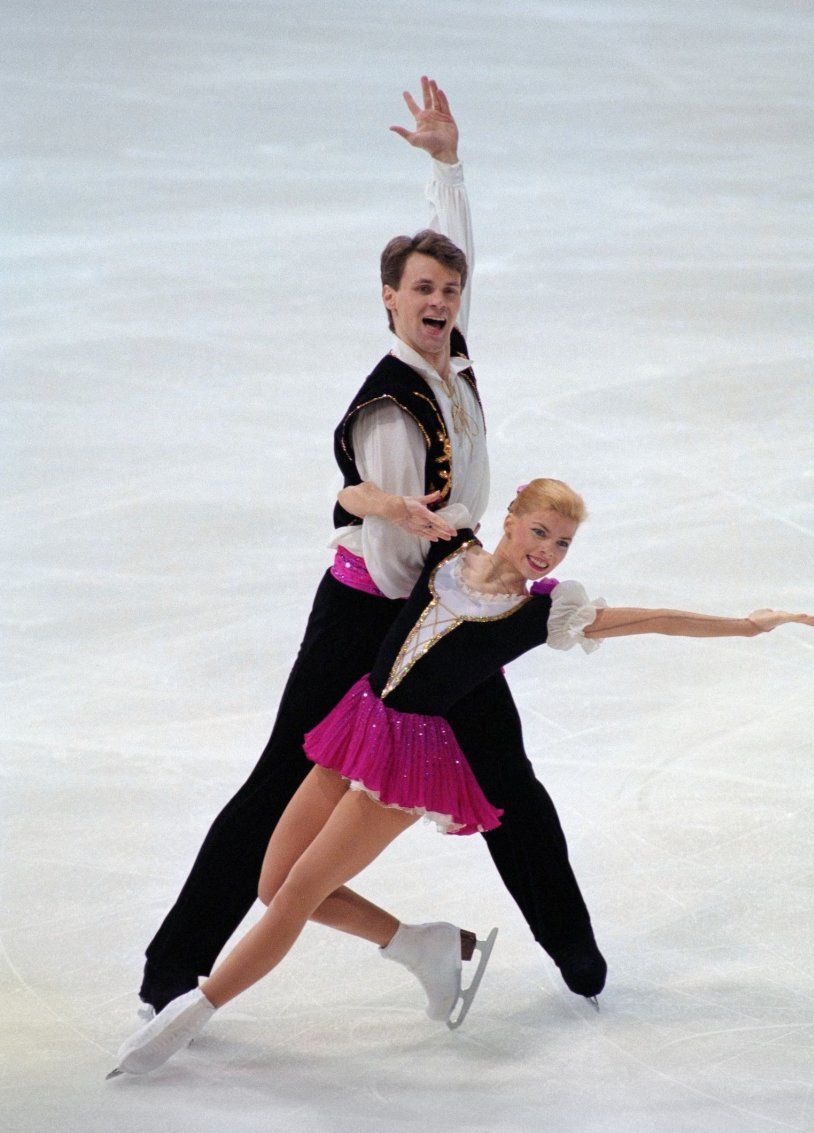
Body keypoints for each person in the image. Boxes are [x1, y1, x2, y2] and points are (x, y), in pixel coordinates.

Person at [138, 77, 608, 1026]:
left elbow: (453, 254)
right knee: (279, 785)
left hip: (446, 604)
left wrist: (445, 165)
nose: (438, 301)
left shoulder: (451, 354)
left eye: (448, 291)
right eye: (420, 291)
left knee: (509, 784)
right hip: (377, 615)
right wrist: (451, 601)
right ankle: (170, 972)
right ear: (386, 301)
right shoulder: (393, 404)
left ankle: (581, 963)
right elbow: (389, 544)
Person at [110, 478, 814, 1077]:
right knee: (272, 883)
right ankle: (424, 945)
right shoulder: (449, 547)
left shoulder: (541, 612)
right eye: (538, 532)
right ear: (508, 523)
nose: (545, 551)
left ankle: (190, 1016)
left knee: (295, 893)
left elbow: (656, 619)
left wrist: (744, 625)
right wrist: (386, 505)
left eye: (561, 543)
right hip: (357, 721)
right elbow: (349, 494)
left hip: (407, 761)